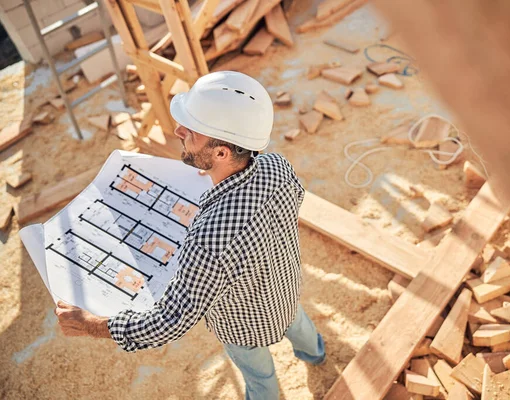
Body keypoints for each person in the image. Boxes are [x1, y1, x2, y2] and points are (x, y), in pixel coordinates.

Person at [55, 71, 326, 400]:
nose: (178, 130)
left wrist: (94, 324)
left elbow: (168, 321)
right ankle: (316, 355)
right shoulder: (276, 166)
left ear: (222, 153)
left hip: (242, 327)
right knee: (300, 328)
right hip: (286, 295)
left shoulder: (208, 239)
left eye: (192, 132)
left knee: (260, 376)